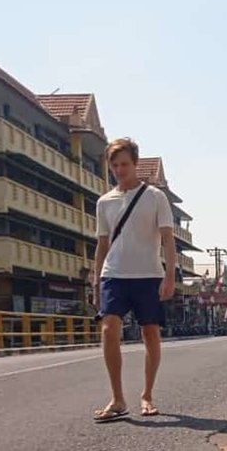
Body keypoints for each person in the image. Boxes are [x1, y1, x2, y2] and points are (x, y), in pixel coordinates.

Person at [91, 138, 176, 422]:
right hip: (113, 274)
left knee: (150, 332)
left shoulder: (155, 197)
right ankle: (117, 399)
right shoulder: (104, 202)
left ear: (135, 164)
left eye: (124, 164)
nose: (119, 170)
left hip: (148, 274)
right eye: (114, 165)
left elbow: (167, 239)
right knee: (108, 329)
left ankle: (147, 395)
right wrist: (95, 280)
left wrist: (169, 275)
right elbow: (102, 243)